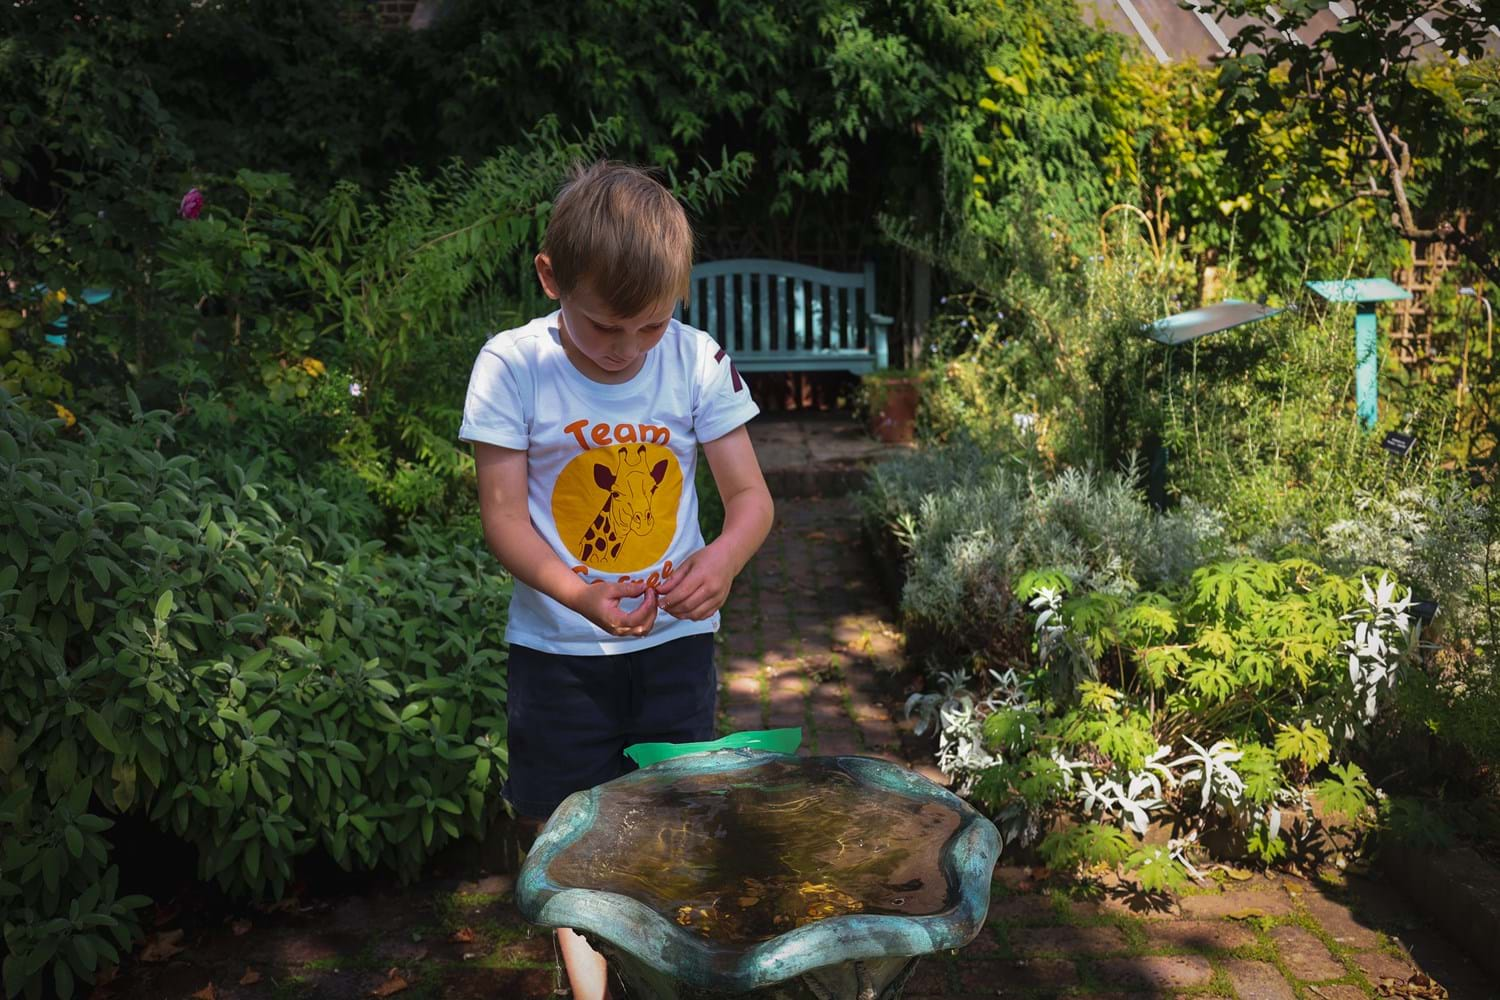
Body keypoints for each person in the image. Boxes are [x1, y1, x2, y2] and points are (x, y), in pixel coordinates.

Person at [458, 161, 774, 1000]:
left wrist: (723, 559)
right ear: (550, 277)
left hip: (674, 649)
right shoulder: (512, 366)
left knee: (668, 818)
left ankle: (652, 971)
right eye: (605, 328)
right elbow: (502, 518)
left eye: (651, 325)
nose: (630, 349)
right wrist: (580, 595)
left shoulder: (699, 359)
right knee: (561, 828)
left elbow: (750, 500)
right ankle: (591, 987)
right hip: (557, 653)